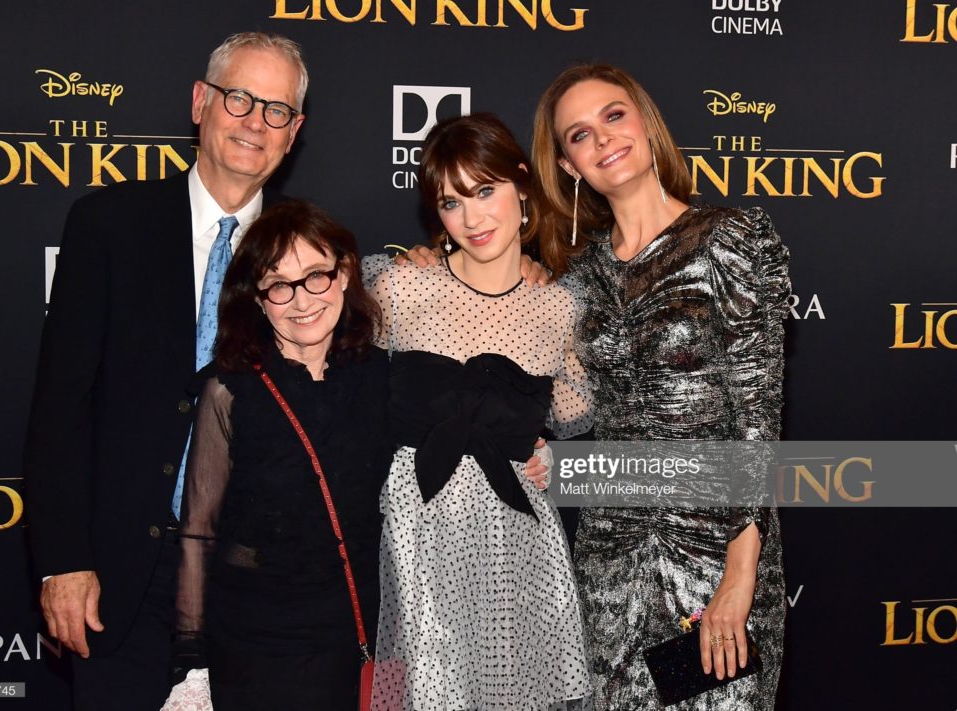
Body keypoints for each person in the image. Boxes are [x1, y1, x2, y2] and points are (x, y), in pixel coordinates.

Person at [22, 32, 306, 710]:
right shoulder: (108, 225)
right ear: (201, 102)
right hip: (122, 582)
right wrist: (63, 558)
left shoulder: (309, 251)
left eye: (276, 110)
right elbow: (61, 406)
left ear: (293, 135)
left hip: (258, 591)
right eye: (240, 98)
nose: (254, 122)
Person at [531, 64, 789, 709]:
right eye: (579, 135)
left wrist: (739, 575)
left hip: (713, 550)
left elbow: (757, 421)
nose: (603, 140)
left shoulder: (728, 241)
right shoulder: (577, 279)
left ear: (645, 123)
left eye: (614, 116)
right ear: (568, 165)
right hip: (609, 561)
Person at [368, 113, 593, 710]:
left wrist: (547, 452)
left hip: (518, 531)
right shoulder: (399, 287)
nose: (471, 219)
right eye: (450, 202)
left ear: (522, 184)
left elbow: (576, 415)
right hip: (416, 521)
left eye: (484, 191)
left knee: (521, 692)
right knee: (417, 688)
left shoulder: (560, 308)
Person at [172, 200, 393, 709]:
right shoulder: (229, 389)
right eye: (279, 285)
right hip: (257, 641)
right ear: (257, 299)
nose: (301, 300)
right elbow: (199, 533)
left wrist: (536, 453)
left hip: (364, 627)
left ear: (344, 274)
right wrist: (191, 652)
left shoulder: (384, 375)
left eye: (317, 275)